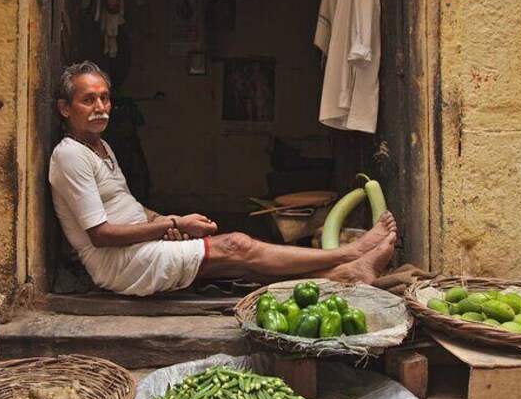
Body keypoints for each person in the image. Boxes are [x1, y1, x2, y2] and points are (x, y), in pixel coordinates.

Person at [49, 61, 397, 296]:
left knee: (241, 265)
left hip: (140, 247)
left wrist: (164, 222)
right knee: (238, 246)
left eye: (105, 98)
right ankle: (350, 253)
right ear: (65, 108)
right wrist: (171, 222)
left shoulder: (101, 146)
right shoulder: (70, 155)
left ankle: (346, 275)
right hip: (120, 264)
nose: (100, 107)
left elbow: (127, 204)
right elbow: (101, 235)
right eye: (88, 100)